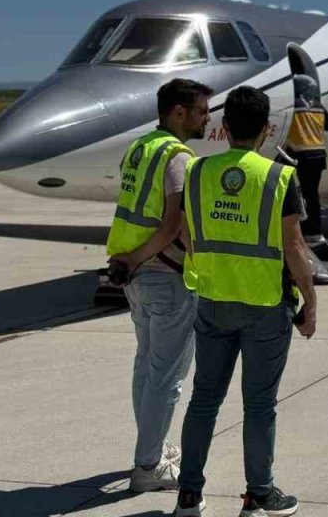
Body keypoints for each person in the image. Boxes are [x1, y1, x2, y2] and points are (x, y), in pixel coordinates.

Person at [174, 86, 317, 517]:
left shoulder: (197, 172)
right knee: (258, 405)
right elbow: (294, 247)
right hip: (265, 305)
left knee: (203, 401)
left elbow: (186, 231)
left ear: (224, 127)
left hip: (214, 300)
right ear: (267, 129)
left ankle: (188, 495)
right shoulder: (279, 176)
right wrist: (310, 299)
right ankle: (258, 494)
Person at [107, 78, 214, 493]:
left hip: (134, 273)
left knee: (146, 365)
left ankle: (150, 448)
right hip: (164, 275)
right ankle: (148, 464)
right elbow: (174, 224)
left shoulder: (140, 148)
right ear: (178, 112)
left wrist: (129, 260)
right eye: (202, 111)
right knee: (167, 378)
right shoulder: (178, 158)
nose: (207, 118)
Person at [284, 74, 328, 241]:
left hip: (300, 155)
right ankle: (315, 232)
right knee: (312, 195)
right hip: (318, 156)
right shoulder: (318, 106)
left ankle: (300, 229)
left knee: (297, 195)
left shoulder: (293, 106)